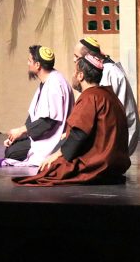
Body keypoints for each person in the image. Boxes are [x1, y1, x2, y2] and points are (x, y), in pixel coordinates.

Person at [13, 53, 130, 186]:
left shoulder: (90, 97)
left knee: (51, 168)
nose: (73, 75)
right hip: (117, 163)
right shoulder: (109, 94)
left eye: (75, 71)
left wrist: (57, 155)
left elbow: (79, 134)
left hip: (101, 163)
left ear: (81, 76)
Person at [0, 45, 74, 167]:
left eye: (30, 61)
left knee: (12, 152)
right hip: (44, 133)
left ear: (38, 65)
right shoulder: (48, 80)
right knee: (12, 147)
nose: (28, 64)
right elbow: (35, 114)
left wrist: (21, 131)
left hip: (52, 139)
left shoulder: (54, 84)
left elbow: (48, 122)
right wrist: (19, 134)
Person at [73, 37, 140, 154]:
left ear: (89, 57)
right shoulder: (105, 70)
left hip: (115, 140)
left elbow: (101, 112)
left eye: (76, 56)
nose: (74, 60)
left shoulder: (108, 72)